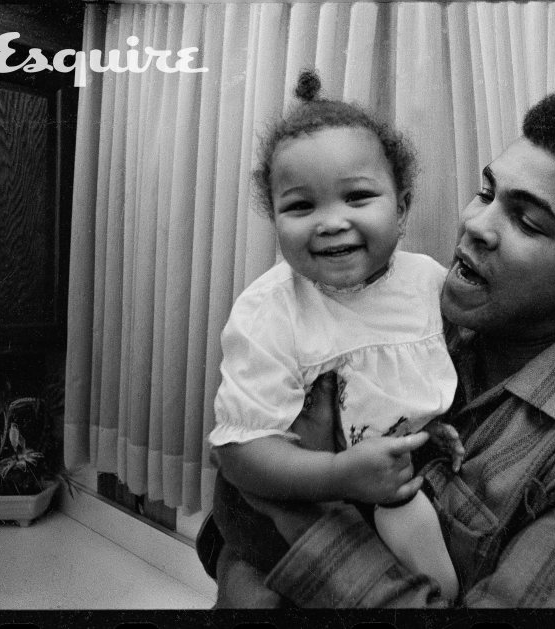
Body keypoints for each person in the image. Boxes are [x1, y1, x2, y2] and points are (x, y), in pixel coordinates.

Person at [197, 90, 555, 607]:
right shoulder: (420, 325)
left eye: (527, 221)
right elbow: (226, 518)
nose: (475, 223)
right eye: (486, 193)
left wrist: (286, 512)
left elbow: (250, 502)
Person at [207, 70, 463, 601]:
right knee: (259, 595)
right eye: (301, 206)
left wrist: (427, 426)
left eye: (358, 197)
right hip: (284, 491)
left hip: (381, 490)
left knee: (441, 590)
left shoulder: (428, 284)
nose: (330, 222)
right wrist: (336, 475)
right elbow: (239, 452)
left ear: (403, 206)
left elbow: (412, 379)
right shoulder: (269, 312)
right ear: (274, 219)